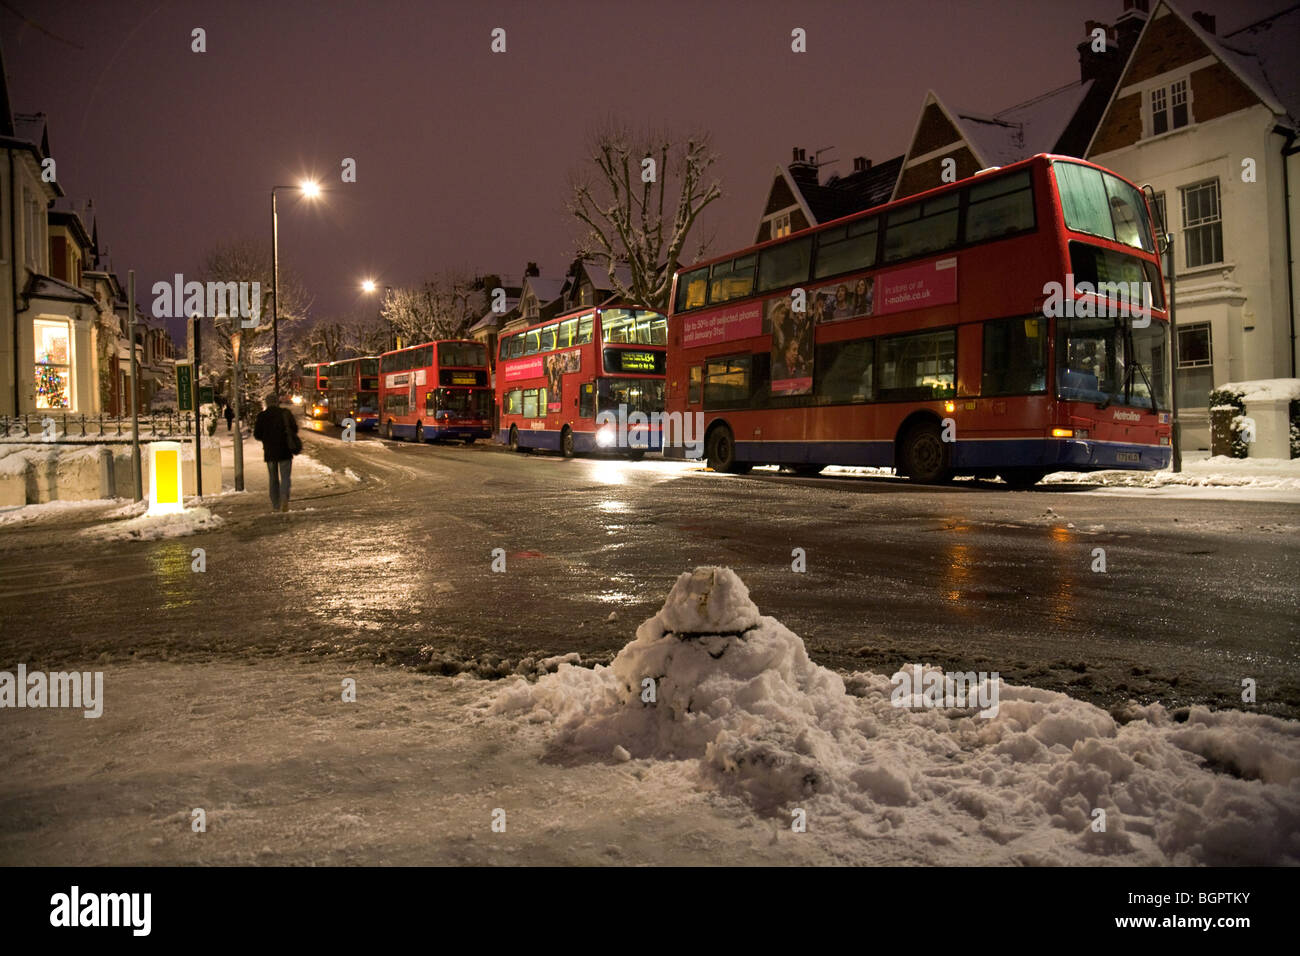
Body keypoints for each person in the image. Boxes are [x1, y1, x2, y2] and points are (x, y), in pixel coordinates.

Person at [253, 392, 299, 512]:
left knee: (273, 478)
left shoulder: (262, 416)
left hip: (270, 452)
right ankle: (284, 499)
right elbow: (295, 429)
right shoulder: (285, 414)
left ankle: (275, 505)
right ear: (277, 402)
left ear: (267, 403)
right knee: (285, 478)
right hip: (285, 450)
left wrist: (266, 438)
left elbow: (257, 435)